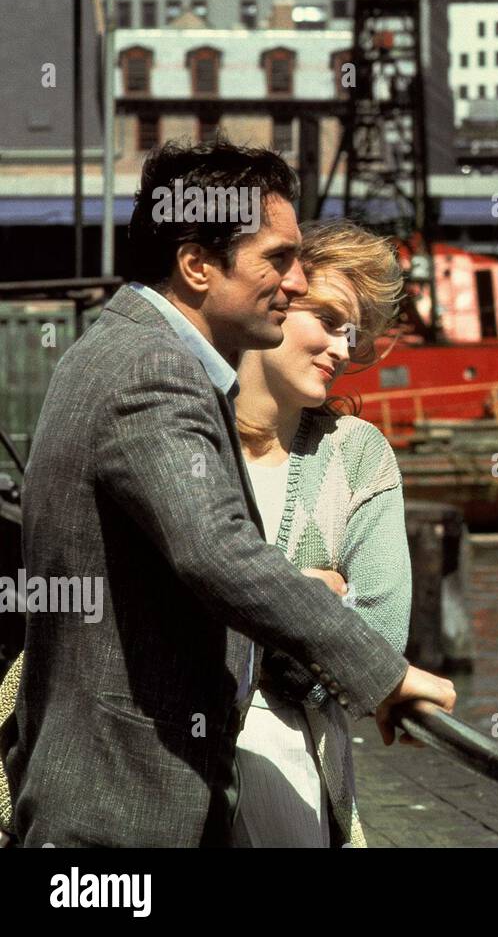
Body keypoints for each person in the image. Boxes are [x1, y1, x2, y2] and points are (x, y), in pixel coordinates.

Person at [2, 140, 454, 847]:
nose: (297, 280)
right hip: (123, 817)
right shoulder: (156, 368)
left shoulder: (107, 348)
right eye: (278, 258)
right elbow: (215, 551)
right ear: (197, 264)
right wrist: (383, 675)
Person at [230, 220, 410, 847]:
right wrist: (303, 600)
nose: (341, 349)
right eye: (329, 320)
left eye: (351, 334)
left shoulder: (358, 456)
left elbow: (381, 635)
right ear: (274, 295)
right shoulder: (179, 429)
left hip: (293, 773)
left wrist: (267, 624)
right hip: (153, 767)